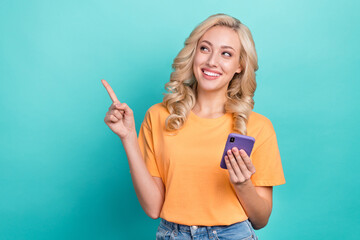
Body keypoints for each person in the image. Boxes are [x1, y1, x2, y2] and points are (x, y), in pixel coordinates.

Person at [102, 13, 285, 240]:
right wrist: (128, 137)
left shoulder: (258, 127)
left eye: (226, 54)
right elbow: (153, 208)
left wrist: (243, 184)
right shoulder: (159, 116)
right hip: (172, 234)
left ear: (240, 65)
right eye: (205, 49)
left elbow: (261, 220)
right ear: (193, 54)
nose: (211, 62)